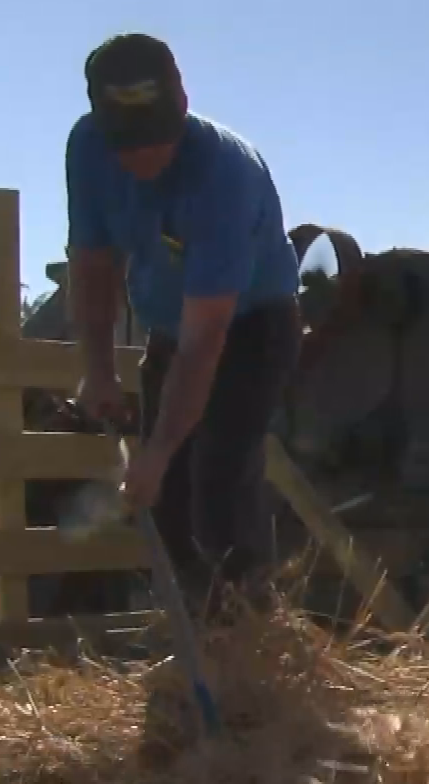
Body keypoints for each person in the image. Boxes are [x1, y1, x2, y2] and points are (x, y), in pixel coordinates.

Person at [65, 32, 304, 621]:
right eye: (128, 143)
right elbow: (94, 266)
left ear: (182, 107)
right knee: (167, 501)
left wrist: (161, 448)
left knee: (218, 477)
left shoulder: (225, 175)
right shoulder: (86, 149)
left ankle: (249, 640)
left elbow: (206, 341)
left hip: (252, 325)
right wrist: (96, 369)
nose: (144, 157)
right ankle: (192, 632)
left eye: (157, 138)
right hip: (173, 325)